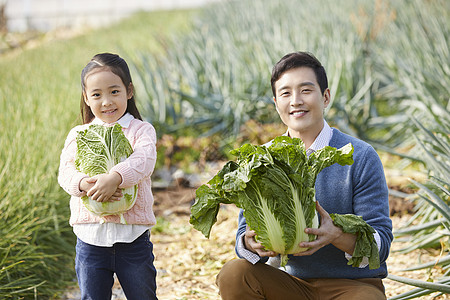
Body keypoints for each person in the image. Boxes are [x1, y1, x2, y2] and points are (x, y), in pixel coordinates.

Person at [216, 51, 393, 299]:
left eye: (306, 90)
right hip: (290, 284)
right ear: (276, 103)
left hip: (352, 287)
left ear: (326, 96)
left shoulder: (361, 155)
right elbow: (243, 236)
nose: (296, 101)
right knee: (234, 274)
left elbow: (381, 242)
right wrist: (250, 244)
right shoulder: (261, 160)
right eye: (286, 93)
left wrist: (336, 235)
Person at [58, 53, 158, 300]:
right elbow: (65, 171)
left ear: (129, 91)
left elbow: (145, 159)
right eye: (96, 95)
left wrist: (115, 177)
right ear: (86, 97)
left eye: (114, 92)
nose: (106, 102)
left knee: (143, 296)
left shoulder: (140, 130)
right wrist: (83, 183)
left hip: (133, 239)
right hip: (90, 240)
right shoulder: (79, 134)